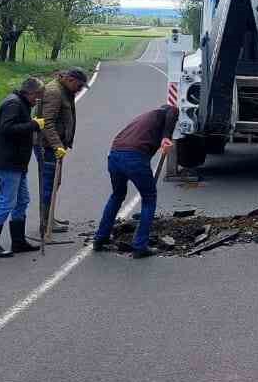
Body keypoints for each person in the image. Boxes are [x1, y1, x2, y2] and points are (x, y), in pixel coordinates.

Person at [92, 105, 176, 259]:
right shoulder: (166, 113)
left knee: (117, 195)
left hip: (114, 155)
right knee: (149, 198)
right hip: (133, 157)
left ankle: (100, 238)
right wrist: (167, 137)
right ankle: (140, 246)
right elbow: (172, 111)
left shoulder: (144, 119)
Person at [0, 77, 46, 258]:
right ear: (30, 92)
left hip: (17, 163)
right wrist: (34, 125)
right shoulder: (13, 104)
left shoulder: (21, 103)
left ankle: (18, 241)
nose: (38, 100)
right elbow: (7, 129)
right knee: (7, 203)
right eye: (37, 96)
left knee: (22, 200)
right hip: (8, 163)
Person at [33, 67, 89, 234]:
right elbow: (46, 123)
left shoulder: (64, 90)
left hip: (53, 146)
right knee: (49, 183)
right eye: (78, 86)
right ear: (70, 79)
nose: (79, 90)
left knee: (54, 181)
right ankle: (45, 223)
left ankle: (49, 217)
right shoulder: (54, 93)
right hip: (47, 146)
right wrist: (57, 145)